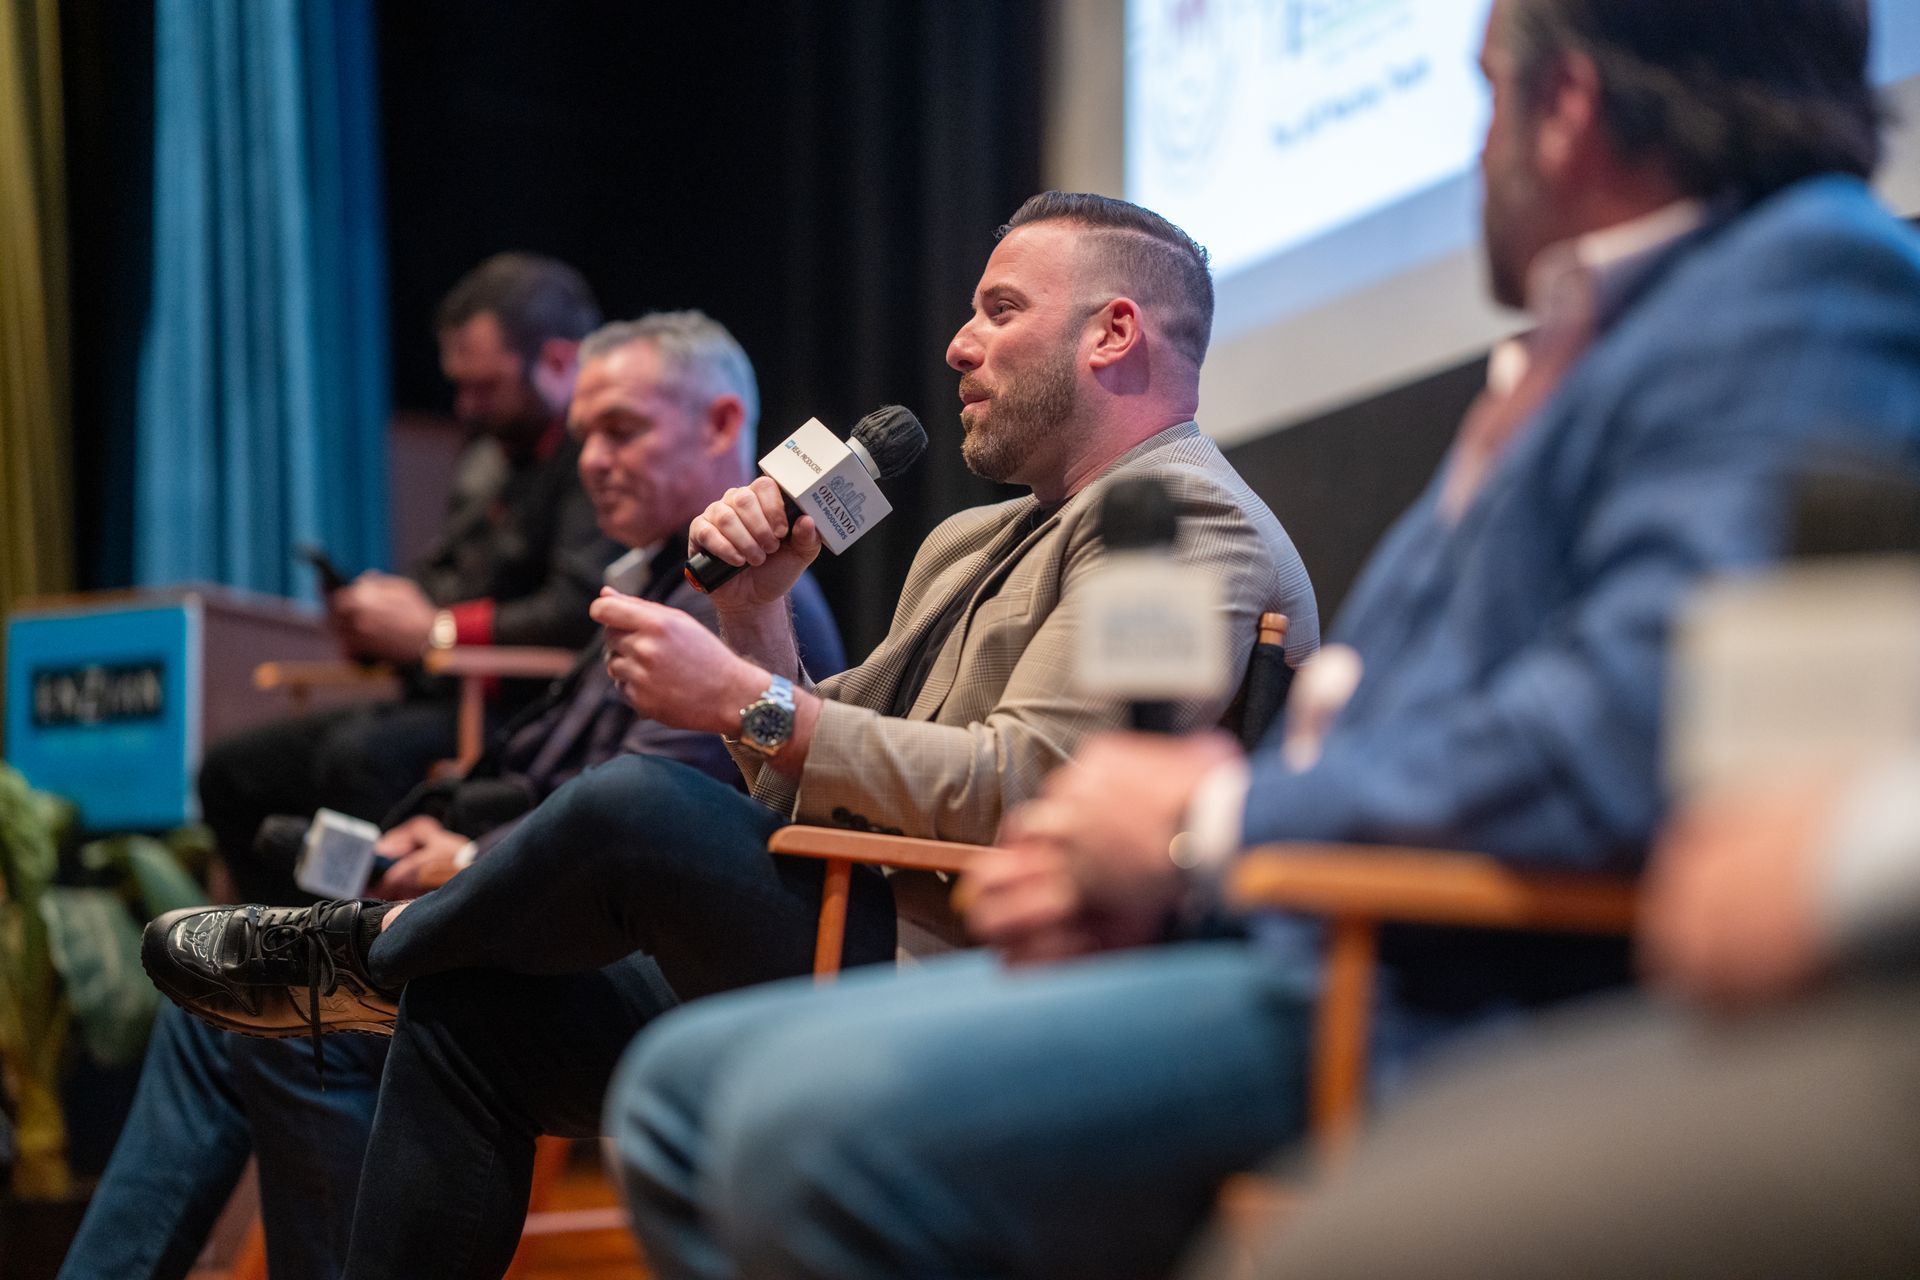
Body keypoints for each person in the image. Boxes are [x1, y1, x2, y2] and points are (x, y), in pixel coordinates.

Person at [603, 3, 1920, 1277]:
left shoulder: (1787, 291)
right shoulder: (1606, 339)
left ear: (1566, 107)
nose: (1475, 152)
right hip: (1264, 924)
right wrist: (756, 618)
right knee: (673, 1094)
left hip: (1399, 972)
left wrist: (1210, 828)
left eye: (1485, 97)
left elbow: (1623, 721)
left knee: (760, 1082)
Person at [141, 192, 1320, 1280]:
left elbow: (1030, 789)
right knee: (471, 1017)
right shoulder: (970, 539)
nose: (960, 344)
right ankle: (393, 962)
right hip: (859, 910)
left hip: (974, 961)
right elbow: (805, 775)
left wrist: (738, 700)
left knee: (638, 805)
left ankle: (368, 948)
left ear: (1112, 333)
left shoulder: (1185, 519)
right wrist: (755, 610)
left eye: (1000, 310)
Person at [63, 312, 844, 1280]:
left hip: (627, 940)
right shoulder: (653, 578)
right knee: (213, 1010)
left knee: (299, 1022)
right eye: (583, 435)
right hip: (535, 898)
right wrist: (447, 833)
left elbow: (652, 813)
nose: (591, 461)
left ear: (722, 422)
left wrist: (471, 861)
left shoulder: (749, 604)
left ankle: (351, 960)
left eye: (622, 430)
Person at [1200, 756, 1920, 1278]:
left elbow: (1577, 756)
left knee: (1340, 1250)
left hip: (1397, 973)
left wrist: (1847, 858)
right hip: (1293, 928)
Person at [198, 253, 623, 905]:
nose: (467, 406)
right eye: (461, 386)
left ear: (560, 361)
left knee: (360, 757)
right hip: (440, 694)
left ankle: (372, 948)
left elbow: (577, 609)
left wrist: (435, 631)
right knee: (233, 771)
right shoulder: (489, 456)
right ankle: (280, 946)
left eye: (486, 386)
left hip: (524, 706)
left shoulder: (596, 465)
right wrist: (378, 622)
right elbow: (445, 580)